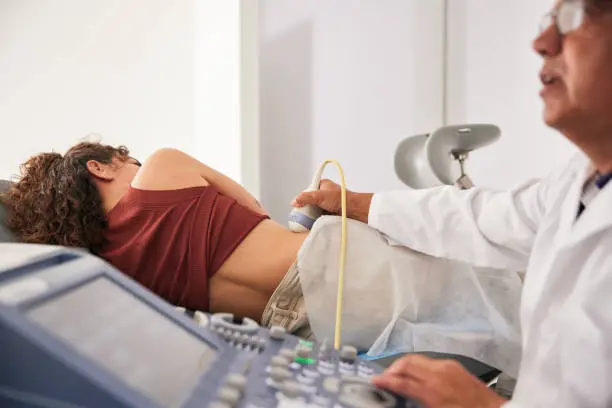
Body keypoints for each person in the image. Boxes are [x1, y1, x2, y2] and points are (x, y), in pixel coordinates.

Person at [292, 0, 612, 406]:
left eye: (579, 15)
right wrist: (355, 204)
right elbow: (478, 217)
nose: (542, 42)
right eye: (549, 20)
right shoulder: (577, 183)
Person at [2, 143, 308, 324]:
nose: (139, 167)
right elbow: (255, 209)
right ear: (99, 168)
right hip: (318, 262)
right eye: (131, 162)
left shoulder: (113, 274)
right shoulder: (162, 164)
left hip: (295, 325)